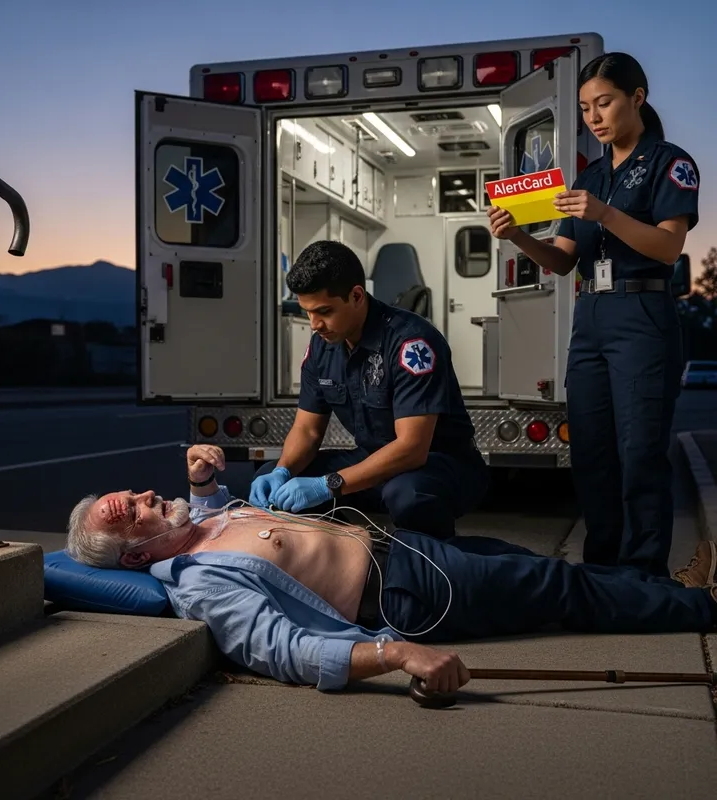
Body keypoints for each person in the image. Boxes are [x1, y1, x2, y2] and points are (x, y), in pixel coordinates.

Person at [65, 445, 717, 695]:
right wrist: (397, 654)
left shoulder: (195, 527)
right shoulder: (203, 583)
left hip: (402, 547)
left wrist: (202, 484)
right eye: (136, 512)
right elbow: (280, 648)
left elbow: (204, 520)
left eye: (140, 495)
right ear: (138, 556)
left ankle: (668, 589)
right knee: (560, 587)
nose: (152, 498)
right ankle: (699, 607)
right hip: (403, 592)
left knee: (538, 567)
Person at [487, 52, 700, 579]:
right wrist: (515, 234)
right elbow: (562, 261)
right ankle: (603, 571)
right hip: (592, 318)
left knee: (640, 455)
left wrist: (605, 214)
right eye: (585, 109)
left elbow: (669, 248)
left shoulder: (670, 162)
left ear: (637, 99)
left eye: (603, 103)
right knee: (591, 454)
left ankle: (644, 575)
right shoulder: (593, 175)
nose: (594, 117)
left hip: (642, 314)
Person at [249, 239, 490, 541]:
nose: (314, 324)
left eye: (324, 311)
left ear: (356, 296)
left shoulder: (411, 343)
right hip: (373, 460)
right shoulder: (323, 346)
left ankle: (434, 568)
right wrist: (282, 471)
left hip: (439, 464)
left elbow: (412, 449)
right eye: (307, 312)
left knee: (407, 496)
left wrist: (328, 484)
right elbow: (308, 431)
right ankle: (338, 555)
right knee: (272, 479)